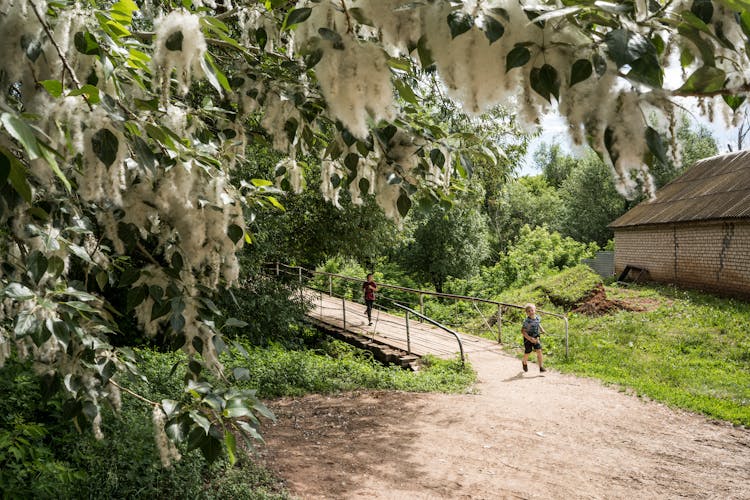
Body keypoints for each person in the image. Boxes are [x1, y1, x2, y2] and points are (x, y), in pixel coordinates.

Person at [521, 303, 546, 373]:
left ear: (535, 310)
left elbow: (538, 323)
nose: (531, 312)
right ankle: (524, 362)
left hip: (536, 338)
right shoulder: (527, 321)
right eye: (528, 311)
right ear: (526, 313)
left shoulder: (537, 317)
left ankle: (541, 367)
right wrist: (529, 338)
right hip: (528, 339)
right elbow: (523, 331)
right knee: (528, 352)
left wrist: (542, 329)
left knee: (539, 350)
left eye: (532, 310)